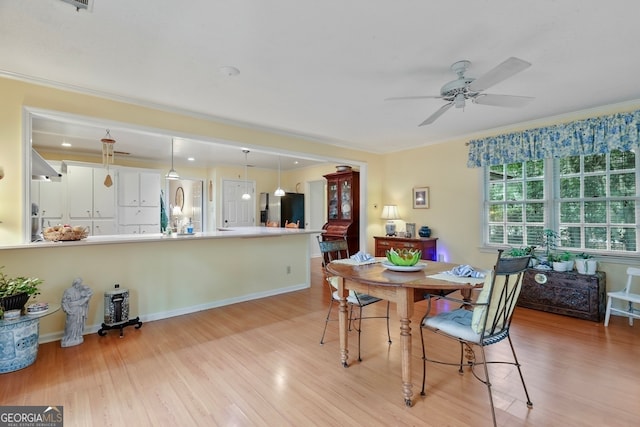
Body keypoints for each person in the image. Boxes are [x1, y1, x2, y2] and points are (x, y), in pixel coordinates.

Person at [61, 277, 93, 347]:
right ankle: (69, 337)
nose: (79, 285)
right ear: (75, 283)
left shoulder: (80, 291)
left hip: (79, 310)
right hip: (72, 309)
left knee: (78, 324)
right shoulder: (68, 291)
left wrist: (86, 290)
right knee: (70, 324)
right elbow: (64, 301)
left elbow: (89, 293)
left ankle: (76, 336)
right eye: (78, 283)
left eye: (80, 283)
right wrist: (67, 309)